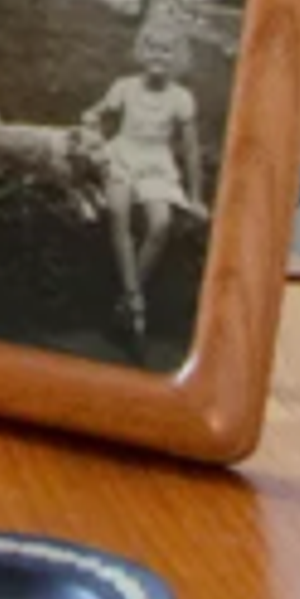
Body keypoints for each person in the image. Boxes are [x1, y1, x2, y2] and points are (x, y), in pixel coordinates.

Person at [78, 19, 208, 355]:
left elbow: (191, 150)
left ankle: (126, 303)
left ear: (178, 57)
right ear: (141, 51)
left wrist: (196, 197)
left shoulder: (181, 98)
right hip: (123, 155)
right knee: (119, 214)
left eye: (166, 50)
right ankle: (136, 304)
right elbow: (99, 111)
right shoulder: (125, 87)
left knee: (161, 223)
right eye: (151, 47)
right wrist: (91, 116)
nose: (158, 56)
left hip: (156, 165)